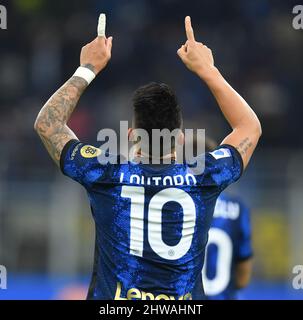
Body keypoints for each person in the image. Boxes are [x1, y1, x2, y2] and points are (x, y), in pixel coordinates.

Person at [34, 15, 261, 300]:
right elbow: (249, 127)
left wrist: (87, 68)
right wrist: (208, 70)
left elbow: (48, 125)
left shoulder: (105, 173)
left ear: (131, 135)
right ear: (179, 138)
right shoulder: (204, 177)